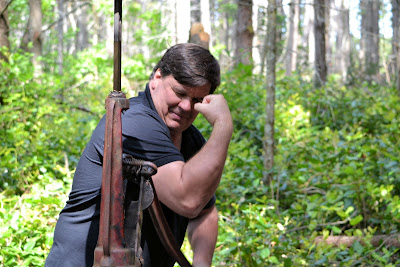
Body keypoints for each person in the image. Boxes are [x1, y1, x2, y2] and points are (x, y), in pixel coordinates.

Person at [45, 43, 233, 267]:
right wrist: (223, 126)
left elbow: (205, 211)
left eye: (197, 101)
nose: (185, 106)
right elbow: (189, 200)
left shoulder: (191, 139)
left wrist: (201, 263)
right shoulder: (133, 122)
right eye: (180, 93)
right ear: (157, 78)